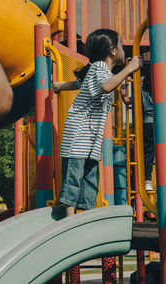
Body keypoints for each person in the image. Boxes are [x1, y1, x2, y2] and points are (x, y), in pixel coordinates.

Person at [53, 29, 142, 216]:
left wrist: (61, 86)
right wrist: (130, 68)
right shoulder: (99, 68)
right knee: (74, 175)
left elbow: (80, 84)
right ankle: (70, 217)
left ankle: (85, 213)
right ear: (112, 50)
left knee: (91, 177)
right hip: (79, 133)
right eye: (120, 44)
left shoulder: (99, 71)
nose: (123, 49)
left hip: (91, 137)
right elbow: (106, 86)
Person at [120, 65, 166, 191]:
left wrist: (122, 92)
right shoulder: (164, 91)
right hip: (163, 126)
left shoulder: (141, 94)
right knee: (165, 150)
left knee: (148, 153)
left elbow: (127, 101)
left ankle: (147, 179)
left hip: (147, 125)